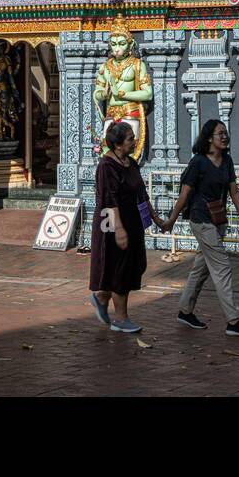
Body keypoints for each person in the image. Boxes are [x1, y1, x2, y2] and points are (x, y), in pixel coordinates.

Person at [160, 120, 239, 337]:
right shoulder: (198, 163)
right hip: (201, 220)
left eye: (225, 133)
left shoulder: (227, 160)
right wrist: (171, 221)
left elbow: (233, 192)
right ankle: (234, 320)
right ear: (208, 138)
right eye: (220, 134)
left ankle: (185, 311)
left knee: (201, 268)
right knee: (222, 267)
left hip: (218, 220)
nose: (225, 137)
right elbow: (184, 195)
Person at [89, 122, 164, 334]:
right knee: (119, 268)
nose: (135, 141)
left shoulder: (130, 163)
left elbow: (142, 194)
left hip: (133, 222)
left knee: (134, 265)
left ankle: (101, 297)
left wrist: (156, 219)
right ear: (118, 144)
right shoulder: (106, 166)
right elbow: (109, 199)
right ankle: (121, 318)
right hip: (112, 224)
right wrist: (119, 230)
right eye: (130, 138)